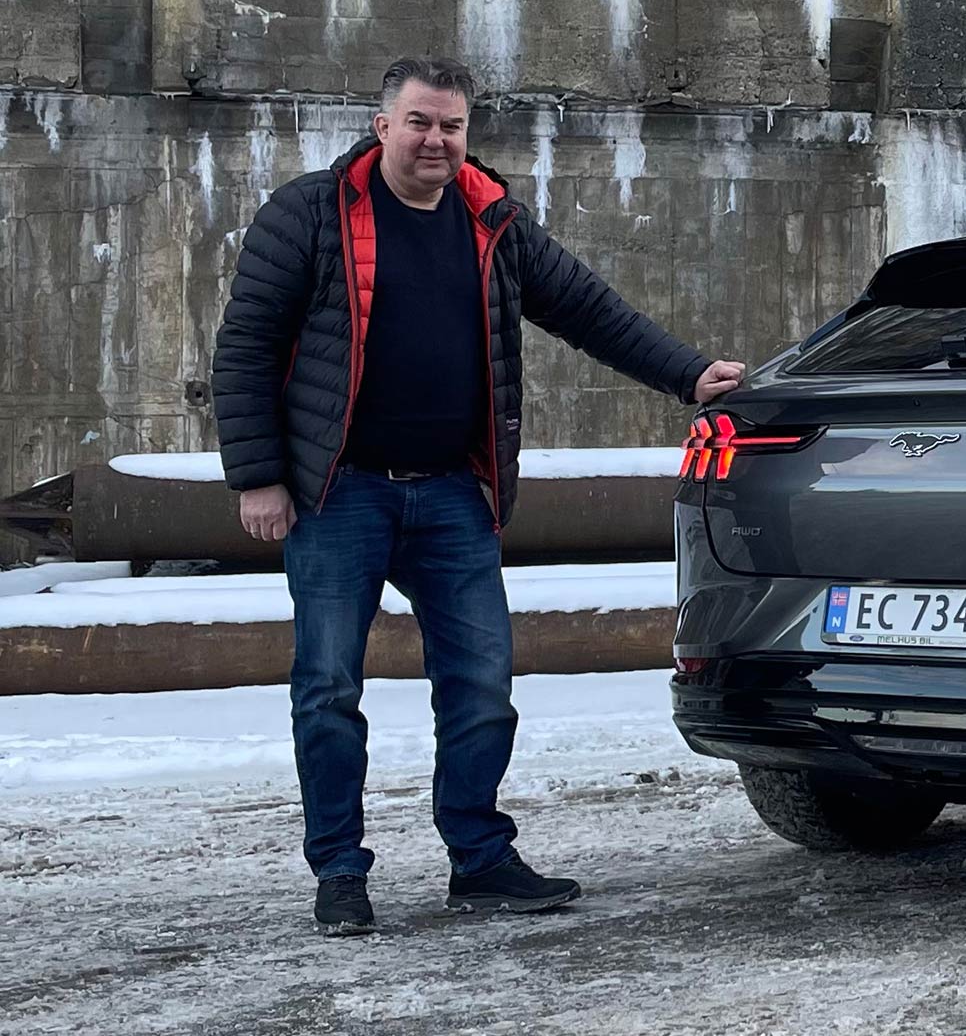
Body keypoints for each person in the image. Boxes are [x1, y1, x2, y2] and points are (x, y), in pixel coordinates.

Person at [211, 56, 744, 936]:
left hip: (454, 491)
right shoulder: (309, 213)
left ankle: (480, 857)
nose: (436, 140)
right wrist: (258, 475)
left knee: (482, 685)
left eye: (452, 126)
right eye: (419, 122)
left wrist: (689, 374)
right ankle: (339, 870)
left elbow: (587, 308)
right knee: (329, 687)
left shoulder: (489, 217)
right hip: (339, 492)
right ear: (382, 125)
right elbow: (246, 348)